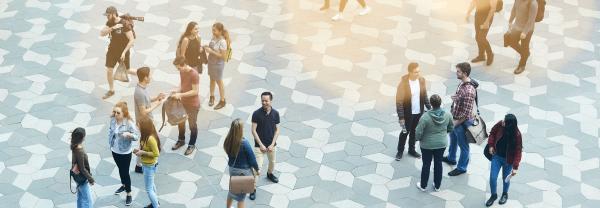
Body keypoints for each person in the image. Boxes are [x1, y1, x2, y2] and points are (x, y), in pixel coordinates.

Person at [443, 62, 478, 176]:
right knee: (453, 138)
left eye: (458, 71)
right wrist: (456, 98)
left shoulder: (469, 91)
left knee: (464, 146)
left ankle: (462, 167)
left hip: (461, 123)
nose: (456, 73)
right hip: (455, 118)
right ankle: (451, 158)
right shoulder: (462, 83)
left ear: (465, 73)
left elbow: (466, 114)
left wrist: (455, 124)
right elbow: (461, 99)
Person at [414, 94, 453, 192]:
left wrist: (419, 139)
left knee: (426, 165)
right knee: (438, 163)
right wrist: (443, 134)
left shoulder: (425, 117)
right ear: (440, 103)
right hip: (441, 144)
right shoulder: (448, 114)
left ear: (431, 104)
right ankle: (437, 186)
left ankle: (423, 186)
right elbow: (451, 127)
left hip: (427, 145)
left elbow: (418, 132)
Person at [395, 62, 432, 160]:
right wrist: (401, 117)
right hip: (408, 114)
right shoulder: (403, 84)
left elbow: (424, 96)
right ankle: (400, 151)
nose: (418, 74)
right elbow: (399, 101)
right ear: (410, 72)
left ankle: (411, 149)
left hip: (418, 112)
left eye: (418, 72)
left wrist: (430, 108)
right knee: (404, 132)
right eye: (416, 72)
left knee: (414, 132)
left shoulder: (421, 80)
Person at [485, 114, 523, 207]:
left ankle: (505, 194)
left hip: (508, 160)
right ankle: (493, 195)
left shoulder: (517, 135)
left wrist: (515, 167)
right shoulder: (500, 124)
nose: (503, 121)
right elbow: (492, 133)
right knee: (493, 178)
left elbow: (518, 152)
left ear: (510, 124)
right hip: (496, 157)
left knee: (506, 179)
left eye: (505, 121)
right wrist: (490, 145)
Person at [100, 6, 136, 99]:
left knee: (127, 71)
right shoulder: (110, 22)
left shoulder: (125, 24)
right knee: (109, 70)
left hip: (123, 52)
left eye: (108, 15)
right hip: (112, 50)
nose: (107, 17)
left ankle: (142, 74)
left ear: (113, 14)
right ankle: (111, 90)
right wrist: (112, 28)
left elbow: (131, 40)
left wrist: (124, 52)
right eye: (106, 15)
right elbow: (101, 33)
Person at [250, 91, 281, 200]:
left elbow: (277, 130)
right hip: (259, 147)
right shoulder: (256, 114)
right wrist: (261, 145)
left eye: (266, 101)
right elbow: (253, 131)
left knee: (272, 162)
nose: (264, 102)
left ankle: (269, 174)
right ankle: (252, 189)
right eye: (262, 100)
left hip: (272, 146)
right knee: (257, 169)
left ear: (271, 101)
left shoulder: (276, 113)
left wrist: (272, 144)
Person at [134, 67, 165, 172]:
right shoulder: (140, 92)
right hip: (144, 123)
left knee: (146, 141)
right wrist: (157, 104)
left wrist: (156, 98)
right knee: (146, 142)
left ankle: (140, 165)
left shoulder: (143, 88)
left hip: (147, 121)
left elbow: (146, 100)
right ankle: (141, 165)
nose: (150, 77)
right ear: (145, 77)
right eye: (149, 75)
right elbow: (143, 111)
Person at [108, 101, 140, 206]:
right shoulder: (113, 120)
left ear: (124, 113)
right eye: (115, 112)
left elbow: (136, 136)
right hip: (114, 150)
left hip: (125, 152)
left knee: (125, 172)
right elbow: (110, 130)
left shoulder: (129, 123)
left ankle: (129, 193)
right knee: (120, 169)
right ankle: (123, 185)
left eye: (118, 113)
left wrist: (129, 135)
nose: (116, 115)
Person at [224, 118, 260, 208]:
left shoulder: (228, 140)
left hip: (232, 169)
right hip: (243, 172)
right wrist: (257, 169)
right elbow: (252, 159)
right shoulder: (244, 143)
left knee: (232, 191)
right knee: (241, 198)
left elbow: (227, 151)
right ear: (240, 130)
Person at [170, 57, 200, 156]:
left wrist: (180, 95)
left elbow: (195, 91)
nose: (178, 70)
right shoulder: (182, 71)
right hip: (183, 103)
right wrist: (177, 90)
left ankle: (191, 144)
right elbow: (182, 84)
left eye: (179, 68)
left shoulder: (194, 74)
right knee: (181, 122)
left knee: (192, 125)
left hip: (193, 104)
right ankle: (181, 140)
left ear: (184, 65)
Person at [134, 117, 161, 208]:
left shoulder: (150, 139)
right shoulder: (144, 136)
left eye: (139, 125)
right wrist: (139, 151)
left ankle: (155, 205)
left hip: (150, 166)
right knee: (151, 185)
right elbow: (145, 149)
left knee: (148, 189)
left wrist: (143, 153)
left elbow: (156, 153)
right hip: (146, 165)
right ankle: (155, 202)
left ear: (144, 127)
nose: (137, 126)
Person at [204, 22, 230, 110]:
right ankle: (212, 96)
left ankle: (222, 100)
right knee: (211, 79)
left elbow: (223, 56)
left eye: (214, 30)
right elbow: (212, 47)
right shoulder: (214, 37)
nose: (213, 32)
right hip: (211, 62)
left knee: (219, 81)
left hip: (218, 65)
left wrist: (210, 51)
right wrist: (207, 47)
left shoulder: (222, 42)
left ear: (220, 31)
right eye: (212, 30)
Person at [507, 0, 538, 74]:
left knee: (525, 47)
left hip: (527, 30)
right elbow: (514, 10)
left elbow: (531, 20)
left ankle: (522, 65)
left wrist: (525, 32)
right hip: (516, 26)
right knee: (511, 42)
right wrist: (510, 21)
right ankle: (525, 54)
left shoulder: (533, 3)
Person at [467, 0, 498, 66]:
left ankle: (490, 54)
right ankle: (481, 56)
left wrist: (487, 22)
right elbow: (474, 2)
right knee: (477, 37)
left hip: (486, 17)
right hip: (478, 15)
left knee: (481, 37)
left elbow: (493, 8)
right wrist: (468, 12)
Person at [71, 127, 94, 208]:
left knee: (80, 197)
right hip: (82, 178)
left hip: (76, 176)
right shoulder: (79, 150)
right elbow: (82, 168)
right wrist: (91, 179)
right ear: (82, 137)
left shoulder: (74, 145)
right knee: (88, 201)